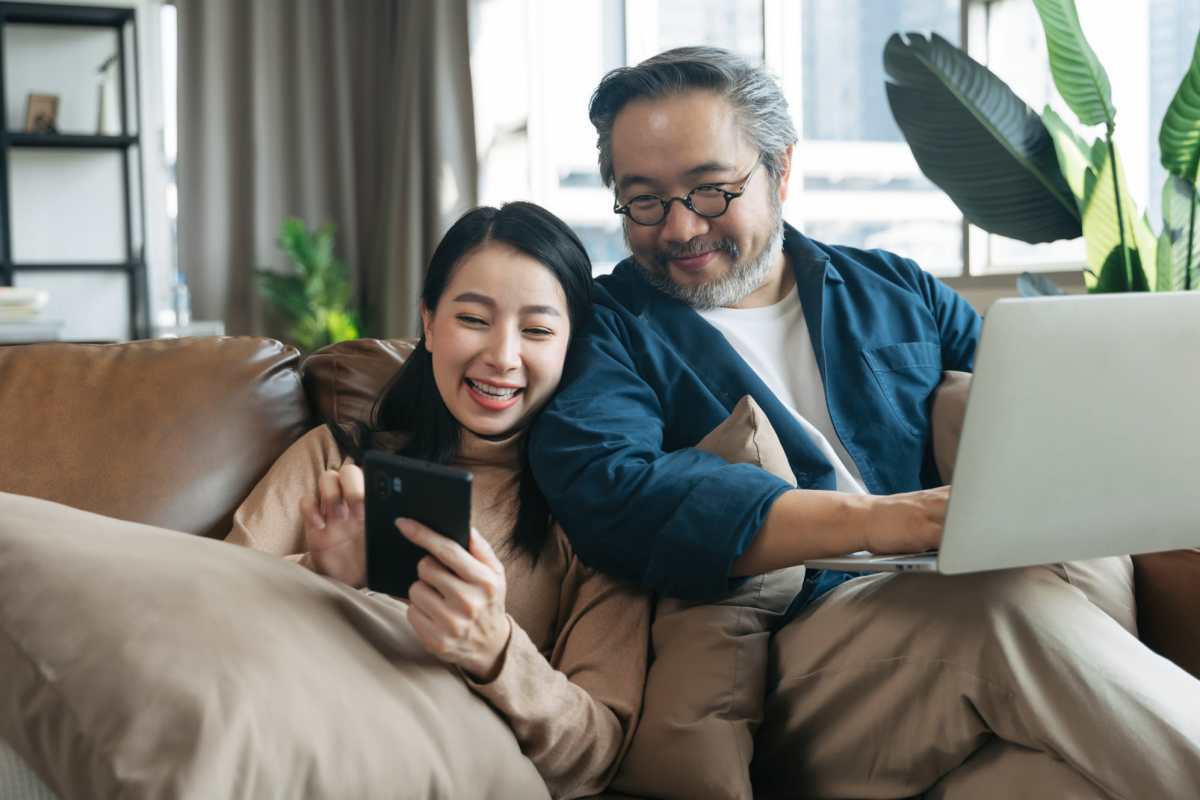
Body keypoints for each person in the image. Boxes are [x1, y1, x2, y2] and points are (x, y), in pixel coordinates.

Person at [528, 46, 1200, 798]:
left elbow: (1032, 413)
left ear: (780, 171)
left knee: (1050, 778)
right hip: (796, 661)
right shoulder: (604, 331)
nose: (681, 228)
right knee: (999, 612)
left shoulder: (894, 288)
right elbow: (614, 493)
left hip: (967, 646)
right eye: (643, 200)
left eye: (711, 190)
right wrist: (880, 521)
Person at [225, 202, 651, 800]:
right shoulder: (335, 460)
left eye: (537, 330)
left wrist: (495, 651)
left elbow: (594, 755)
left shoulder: (597, 509)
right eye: (474, 318)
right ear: (428, 323)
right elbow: (209, 618)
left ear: (570, 347)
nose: (503, 356)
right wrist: (324, 579)